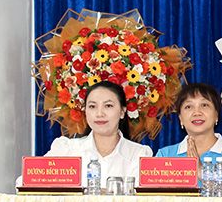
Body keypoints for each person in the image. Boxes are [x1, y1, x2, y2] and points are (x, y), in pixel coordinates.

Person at [23, 81, 152, 189]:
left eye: (108, 106)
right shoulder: (67, 150)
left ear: (122, 112)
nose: (99, 113)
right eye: (92, 106)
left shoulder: (139, 155)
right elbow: (25, 182)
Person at [156, 83, 222, 178]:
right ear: (180, 118)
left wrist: (201, 172)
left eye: (204, 105)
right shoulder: (164, 155)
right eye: (189, 107)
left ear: (216, 115)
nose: (197, 113)